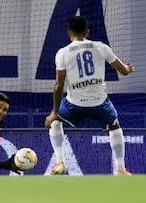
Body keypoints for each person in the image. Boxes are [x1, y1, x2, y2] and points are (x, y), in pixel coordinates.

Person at [44, 16, 134, 176]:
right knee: (115, 125)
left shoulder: (62, 53)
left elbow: (59, 85)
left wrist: (54, 112)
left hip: (75, 105)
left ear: (69, 32)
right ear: (87, 32)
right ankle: (120, 169)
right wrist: (129, 68)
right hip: (100, 104)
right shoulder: (101, 47)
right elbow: (124, 71)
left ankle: (59, 162)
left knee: (55, 122)